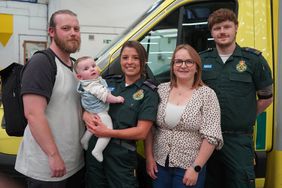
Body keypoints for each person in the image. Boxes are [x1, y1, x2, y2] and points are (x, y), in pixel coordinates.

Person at [200, 8, 273, 188]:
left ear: (236, 28)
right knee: (208, 183)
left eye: (227, 26)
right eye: (217, 28)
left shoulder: (254, 60)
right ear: (212, 32)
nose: (222, 32)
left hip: (238, 140)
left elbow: (266, 97)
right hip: (206, 139)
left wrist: (245, 115)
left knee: (240, 183)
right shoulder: (201, 60)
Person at [15, 10, 85, 188]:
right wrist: (53, 156)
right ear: (51, 32)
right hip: (47, 167)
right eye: (66, 28)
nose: (73, 33)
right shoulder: (42, 63)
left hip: (73, 162)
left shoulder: (76, 67)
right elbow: (33, 114)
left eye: (76, 29)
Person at [145, 44, 223, 188]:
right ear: (173, 66)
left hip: (189, 167)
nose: (183, 65)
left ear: (196, 67)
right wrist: (149, 158)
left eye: (189, 61)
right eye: (178, 61)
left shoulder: (207, 94)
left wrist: (196, 168)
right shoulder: (161, 90)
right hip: (160, 165)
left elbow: (211, 136)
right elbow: (150, 127)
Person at [83, 40, 159, 188]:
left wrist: (108, 132)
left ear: (143, 61)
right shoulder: (106, 83)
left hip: (121, 155)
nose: (129, 62)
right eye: (125, 57)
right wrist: (85, 115)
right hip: (94, 150)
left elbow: (142, 132)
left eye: (135, 58)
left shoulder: (149, 92)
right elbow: (86, 101)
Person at [74, 56, 124, 162]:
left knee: (93, 126)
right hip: (100, 111)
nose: (92, 69)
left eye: (93, 65)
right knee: (108, 129)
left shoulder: (87, 83)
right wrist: (117, 99)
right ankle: (97, 150)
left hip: (92, 110)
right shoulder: (94, 86)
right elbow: (106, 97)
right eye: (86, 69)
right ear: (80, 76)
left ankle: (84, 140)